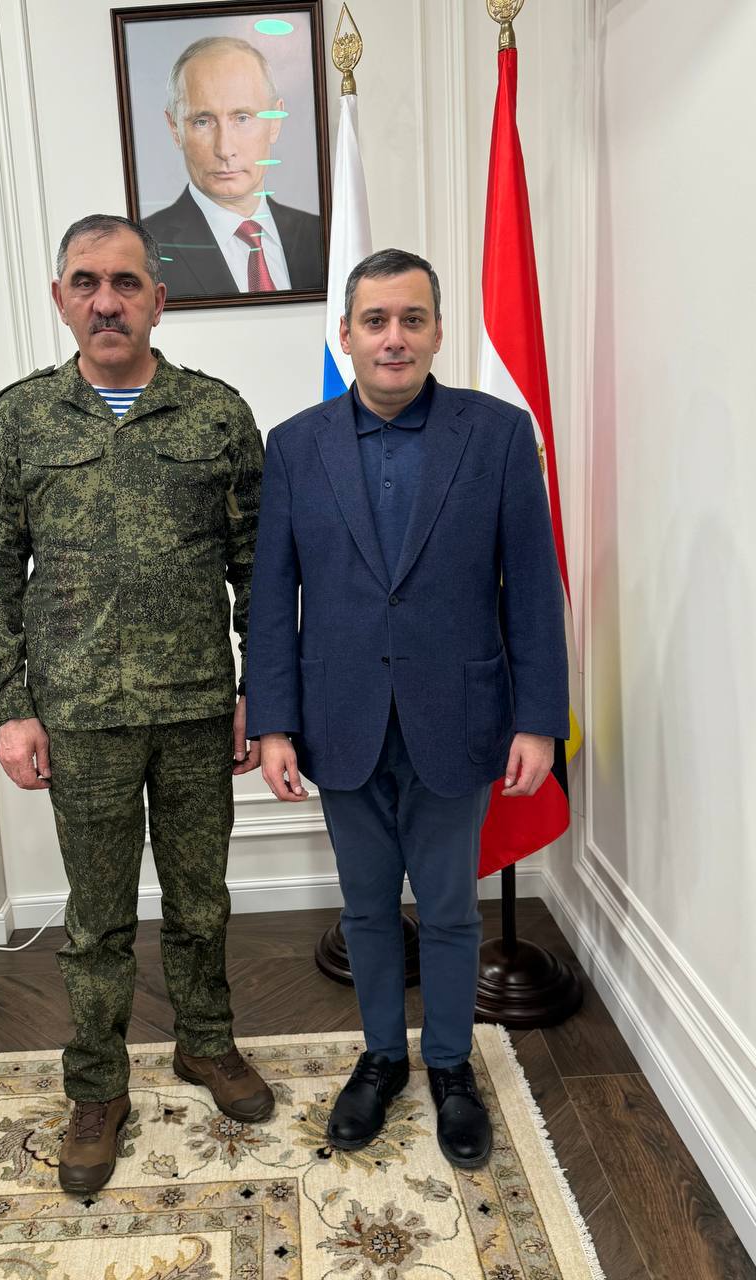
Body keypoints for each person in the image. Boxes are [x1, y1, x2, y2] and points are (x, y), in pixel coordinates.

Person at [0, 213, 273, 1196]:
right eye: (87, 283)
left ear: (158, 300)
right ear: (61, 299)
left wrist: (258, 691)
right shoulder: (23, 419)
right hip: (80, 715)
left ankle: (206, 1041)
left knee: (200, 901)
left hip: (194, 708)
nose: (107, 301)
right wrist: (13, 706)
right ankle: (97, 1087)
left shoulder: (216, 415)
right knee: (95, 920)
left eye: (127, 283)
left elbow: (260, 569)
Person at [246, 248, 568, 1167]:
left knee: (453, 910)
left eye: (412, 319)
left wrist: (539, 720)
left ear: (437, 331)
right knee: (367, 911)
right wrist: (272, 722)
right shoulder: (294, 445)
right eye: (376, 320)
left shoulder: (497, 435)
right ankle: (383, 1057)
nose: (394, 337)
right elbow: (272, 597)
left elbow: (531, 588)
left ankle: (452, 1067)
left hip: (460, 717)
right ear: (345, 335)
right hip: (338, 719)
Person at [144, 36, 323, 299]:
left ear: (275, 121)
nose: (225, 149)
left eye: (242, 118)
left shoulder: (323, 235)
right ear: (174, 129)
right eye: (202, 122)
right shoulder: (143, 250)